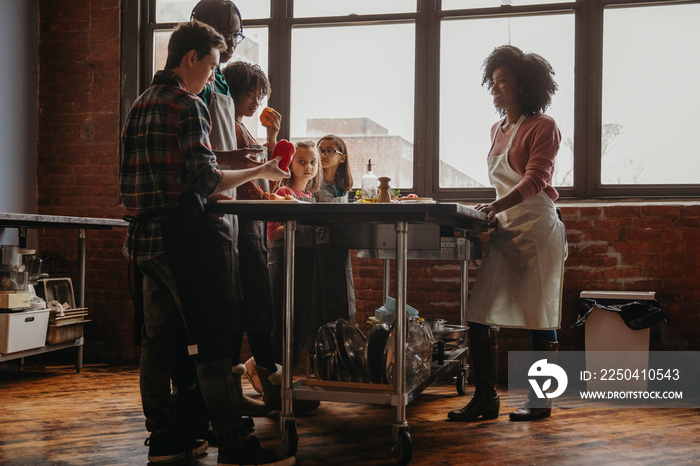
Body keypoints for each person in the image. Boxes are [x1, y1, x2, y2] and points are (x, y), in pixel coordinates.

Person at [119, 20, 294, 466]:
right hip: (182, 236)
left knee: (156, 345)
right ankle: (233, 442)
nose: (213, 75)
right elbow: (206, 179)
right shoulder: (188, 103)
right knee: (213, 342)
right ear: (191, 57)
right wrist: (258, 172)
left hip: (143, 239)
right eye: (212, 63)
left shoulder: (138, 104)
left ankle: (165, 438)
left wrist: (241, 161)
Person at [447, 45, 567, 423]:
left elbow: (535, 180)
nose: (495, 89)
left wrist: (495, 207)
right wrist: (495, 210)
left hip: (537, 228)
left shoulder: (544, 125)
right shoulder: (496, 129)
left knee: (541, 315)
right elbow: (504, 186)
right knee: (479, 313)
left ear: (524, 86)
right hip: (507, 229)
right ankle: (486, 398)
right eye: (493, 82)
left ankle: (541, 400)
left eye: (503, 83)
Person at [190, 0, 277, 419]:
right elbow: (202, 157)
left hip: (234, 209)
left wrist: (249, 163)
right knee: (223, 308)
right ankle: (217, 402)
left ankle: (244, 386)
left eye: (238, 34)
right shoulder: (198, 82)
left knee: (247, 299)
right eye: (230, 32)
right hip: (211, 208)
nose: (234, 42)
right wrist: (249, 165)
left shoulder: (220, 81)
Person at [221, 60, 285, 413]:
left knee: (252, 310)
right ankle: (263, 393)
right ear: (234, 89)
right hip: (239, 230)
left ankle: (251, 392)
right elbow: (250, 187)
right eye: (253, 93)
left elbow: (266, 180)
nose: (258, 101)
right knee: (251, 311)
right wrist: (268, 199)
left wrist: (273, 140)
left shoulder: (240, 128)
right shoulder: (227, 128)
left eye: (261, 95)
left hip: (249, 230)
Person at [267, 142, 322, 367]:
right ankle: (272, 372)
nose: (308, 166)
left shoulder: (310, 195)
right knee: (282, 319)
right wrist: (299, 224)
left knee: (301, 318)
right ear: (290, 164)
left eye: (312, 162)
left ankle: (287, 370)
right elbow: (272, 234)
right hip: (285, 262)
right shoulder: (283, 192)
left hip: (305, 262)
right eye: (302, 161)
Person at [312, 135, 356, 326]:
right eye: (320, 150)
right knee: (321, 299)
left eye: (329, 151)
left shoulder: (343, 188)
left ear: (342, 157)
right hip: (316, 246)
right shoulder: (312, 184)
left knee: (341, 294)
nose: (323, 155)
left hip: (339, 243)